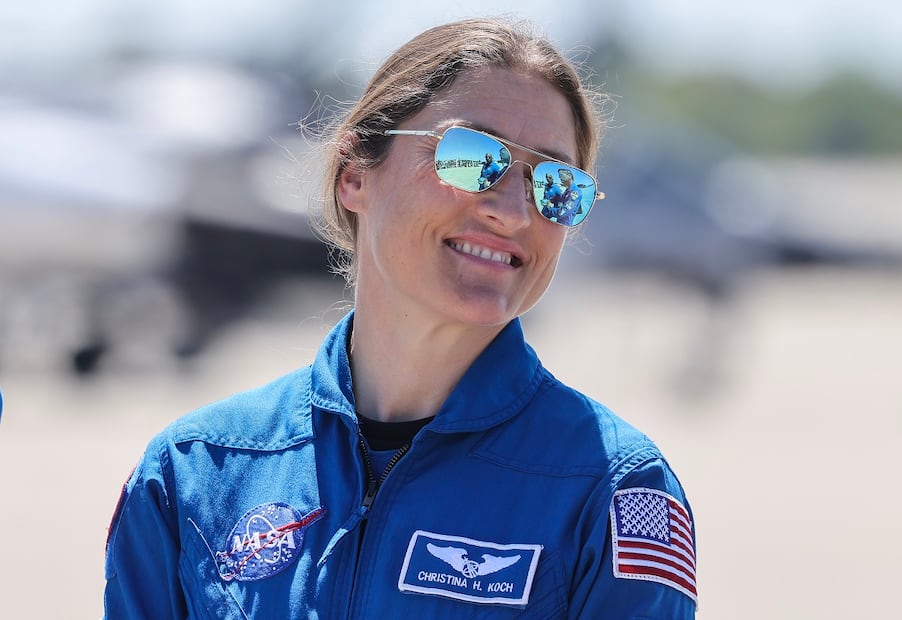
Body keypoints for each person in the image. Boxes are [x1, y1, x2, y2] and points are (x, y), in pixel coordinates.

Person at [103, 17, 697, 619]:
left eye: (554, 184)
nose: (515, 212)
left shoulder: (616, 492)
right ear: (355, 173)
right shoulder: (192, 475)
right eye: (471, 156)